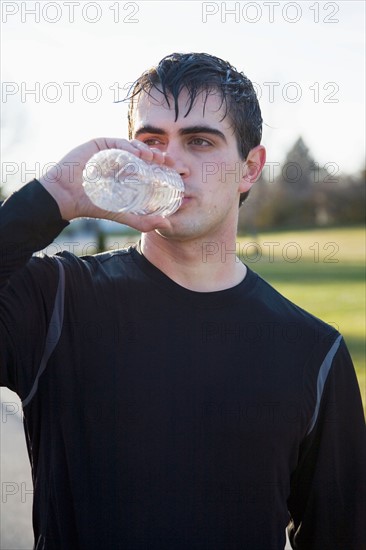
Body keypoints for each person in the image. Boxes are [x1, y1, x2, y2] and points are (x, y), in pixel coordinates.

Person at [0, 52, 365, 550]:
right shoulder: (56, 300)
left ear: (249, 168)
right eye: (151, 140)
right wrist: (50, 196)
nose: (170, 160)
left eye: (199, 141)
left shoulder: (314, 352)